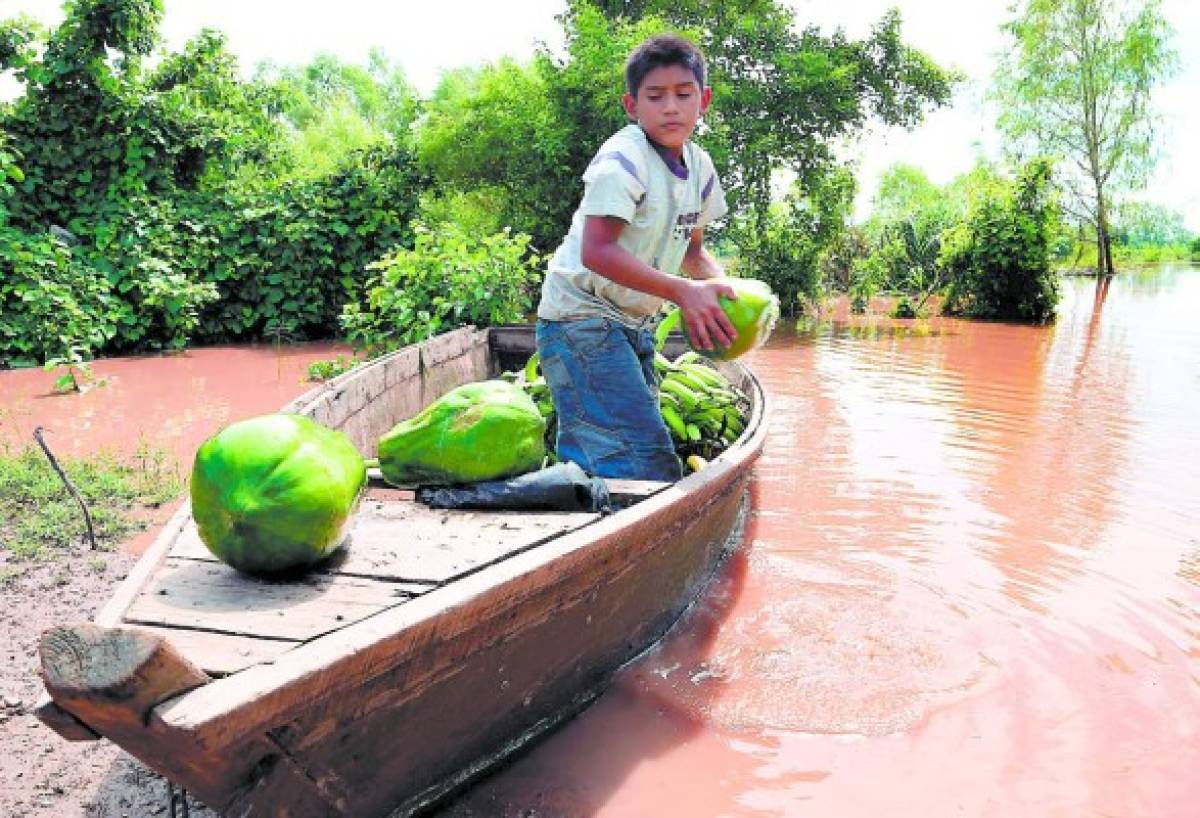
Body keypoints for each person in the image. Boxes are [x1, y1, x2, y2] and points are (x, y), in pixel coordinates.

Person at [535, 33, 737, 482]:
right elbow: (596, 251)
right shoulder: (623, 159)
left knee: (633, 452)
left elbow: (694, 251)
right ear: (632, 106)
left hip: (629, 324)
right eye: (655, 96)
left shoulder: (700, 168)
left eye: (683, 95)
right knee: (639, 464)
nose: (671, 107)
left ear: (702, 100)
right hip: (580, 320)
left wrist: (730, 299)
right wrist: (684, 292)